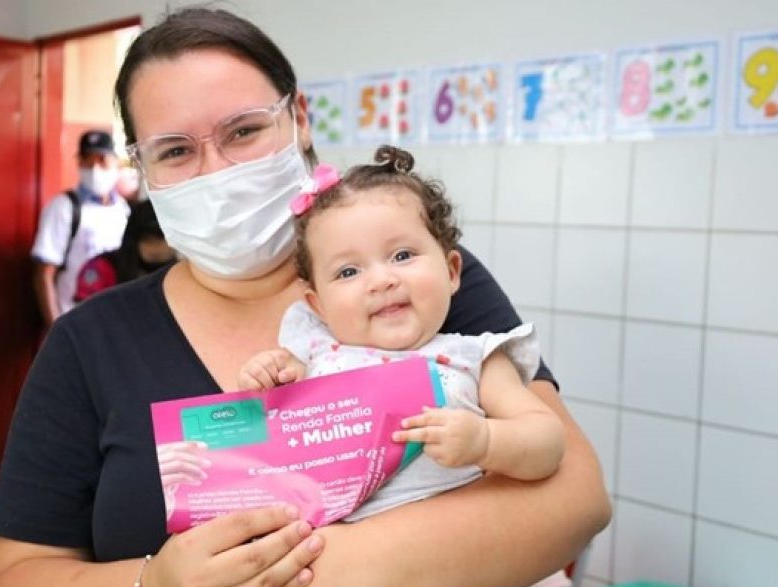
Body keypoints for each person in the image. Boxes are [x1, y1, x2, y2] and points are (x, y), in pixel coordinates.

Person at [0, 7, 611, 587]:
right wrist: (153, 583)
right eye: (174, 150)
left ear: (299, 118)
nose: (217, 172)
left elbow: (577, 497)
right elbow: (10, 577)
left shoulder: (413, 286)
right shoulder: (91, 341)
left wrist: (321, 569)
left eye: (244, 131)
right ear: (142, 169)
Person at [236, 144, 565, 521]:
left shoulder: (475, 359)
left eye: (403, 255)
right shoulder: (312, 354)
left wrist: (486, 441)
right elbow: (270, 440)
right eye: (348, 272)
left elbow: (548, 442)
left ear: (452, 271)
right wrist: (264, 377)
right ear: (319, 306)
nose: (381, 280)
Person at [31, 130, 130, 325]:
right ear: (79, 162)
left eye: (102, 160)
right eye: (87, 160)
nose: (94, 168)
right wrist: (56, 329)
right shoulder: (64, 207)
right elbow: (44, 273)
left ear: (115, 163)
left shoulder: (123, 210)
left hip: (113, 321)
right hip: (73, 321)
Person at [74, 199, 177, 303]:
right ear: (134, 239)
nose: (156, 248)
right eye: (148, 240)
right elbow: (83, 314)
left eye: (163, 240)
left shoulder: (182, 274)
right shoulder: (103, 268)